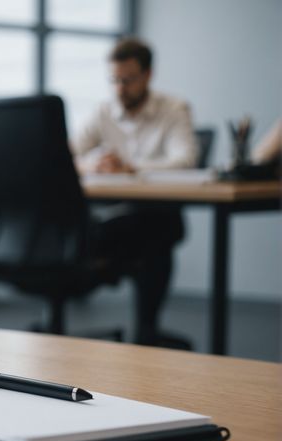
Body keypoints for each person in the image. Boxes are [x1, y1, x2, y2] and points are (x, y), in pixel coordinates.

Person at [73, 38, 195, 350]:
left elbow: (185, 161)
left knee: (154, 228)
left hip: (155, 211)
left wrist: (130, 168)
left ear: (148, 75)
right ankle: (146, 332)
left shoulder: (174, 109)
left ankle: (146, 330)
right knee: (149, 237)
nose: (119, 89)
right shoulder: (103, 111)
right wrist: (92, 164)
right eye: (113, 80)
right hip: (112, 213)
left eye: (128, 80)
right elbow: (67, 155)